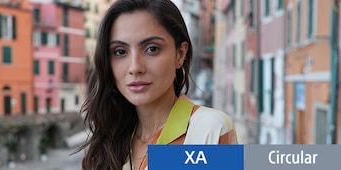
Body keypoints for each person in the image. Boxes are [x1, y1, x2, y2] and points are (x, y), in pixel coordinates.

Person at [78, 0, 237, 169]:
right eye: (120, 52)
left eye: (152, 49)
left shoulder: (209, 129)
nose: (135, 67)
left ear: (180, 54)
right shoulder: (109, 142)